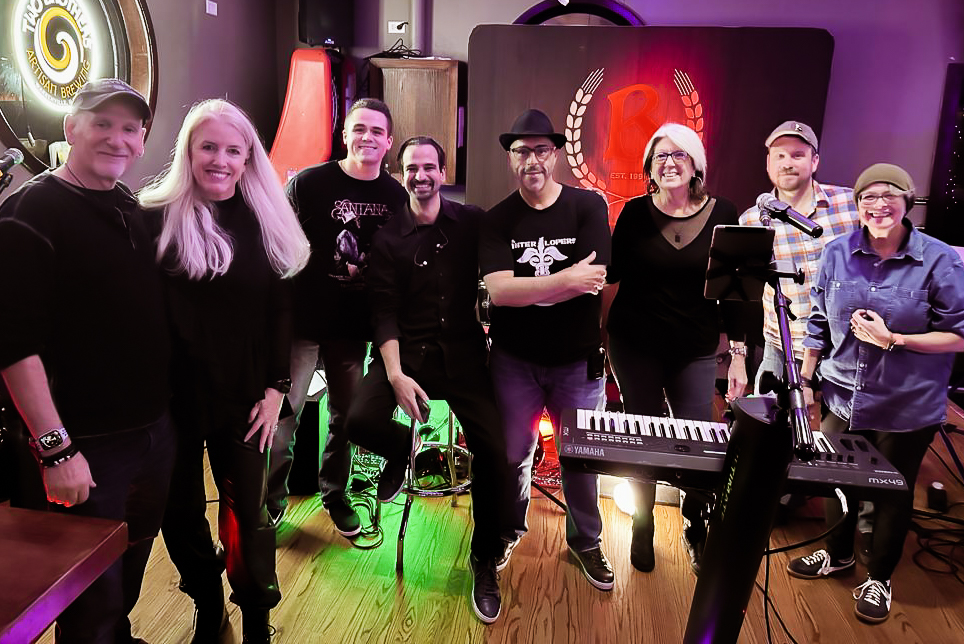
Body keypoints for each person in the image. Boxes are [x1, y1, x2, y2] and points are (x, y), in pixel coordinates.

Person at [0, 78, 174, 644]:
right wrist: (56, 449)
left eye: (130, 129)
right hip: (85, 444)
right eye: (102, 124)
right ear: (71, 128)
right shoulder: (29, 213)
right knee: (89, 590)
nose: (117, 139)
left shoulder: (129, 205)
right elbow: (13, 345)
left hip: (151, 431)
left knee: (131, 554)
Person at [139, 98, 310, 642]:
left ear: (248, 158)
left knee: (247, 516)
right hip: (169, 401)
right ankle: (208, 603)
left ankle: (257, 620)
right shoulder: (153, 218)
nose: (220, 159)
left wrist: (277, 388)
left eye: (233, 150)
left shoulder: (264, 219)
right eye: (208, 147)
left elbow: (281, 311)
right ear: (188, 151)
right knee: (179, 513)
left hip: (245, 396)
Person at [787, 163, 964, 624]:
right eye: (869, 196)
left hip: (907, 404)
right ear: (858, 204)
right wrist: (806, 380)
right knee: (833, 479)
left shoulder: (940, 260)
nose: (879, 204)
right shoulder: (836, 252)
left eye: (890, 195)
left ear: (908, 201)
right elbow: (818, 323)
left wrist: (895, 340)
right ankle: (838, 555)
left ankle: (879, 577)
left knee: (891, 492)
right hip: (842, 393)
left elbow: (958, 335)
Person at [345, 136, 508, 623]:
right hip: (406, 355)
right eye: (412, 168)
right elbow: (383, 312)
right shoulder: (388, 238)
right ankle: (401, 448)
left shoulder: (472, 221)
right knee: (358, 420)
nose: (421, 176)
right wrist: (395, 375)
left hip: (462, 358)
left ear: (443, 172)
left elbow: (513, 238)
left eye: (429, 167)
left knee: (495, 453)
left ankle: (484, 557)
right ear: (401, 174)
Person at [480, 109, 615, 591]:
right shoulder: (497, 219)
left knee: (580, 457)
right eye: (522, 151)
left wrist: (530, 289)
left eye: (541, 150)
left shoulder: (587, 206)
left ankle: (586, 541)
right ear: (510, 158)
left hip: (577, 361)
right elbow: (499, 293)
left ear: (556, 154)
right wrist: (565, 280)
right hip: (513, 362)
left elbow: (594, 279)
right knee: (513, 454)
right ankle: (508, 529)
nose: (531, 160)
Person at [602, 123, 746, 575]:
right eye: (660, 157)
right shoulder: (633, 213)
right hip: (635, 345)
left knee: (696, 440)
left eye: (678, 155)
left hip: (695, 348)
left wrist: (739, 354)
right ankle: (642, 523)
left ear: (696, 164)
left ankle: (695, 524)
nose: (669, 163)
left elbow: (736, 290)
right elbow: (610, 276)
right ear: (649, 168)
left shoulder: (725, 212)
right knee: (642, 436)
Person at [267, 99, 408, 536]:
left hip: (352, 329)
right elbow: (276, 244)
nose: (367, 137)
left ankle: (335, 494)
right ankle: (270, 501)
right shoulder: (308, 183)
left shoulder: (396, 196)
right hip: (301, 325)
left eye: (376, 131)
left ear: (388, 141)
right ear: (344, 135)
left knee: (346, 419)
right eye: (358, 128)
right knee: (283, 418)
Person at [739, 121, 859, 393]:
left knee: (839, 422)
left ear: (814, 161)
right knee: (766, 420)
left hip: (843, 351)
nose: (787, 164)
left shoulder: (850, 205)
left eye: (797, 155)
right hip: (782, 349)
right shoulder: (751, 220)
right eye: (779, 156)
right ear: (768, 163)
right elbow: (741, 292)